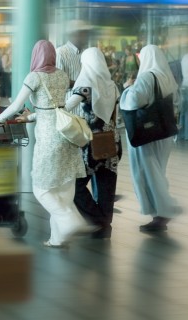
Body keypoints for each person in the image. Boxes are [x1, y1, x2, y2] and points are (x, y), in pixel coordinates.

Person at [0, 40, 99, 247]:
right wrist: (32, 117)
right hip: (67, 133)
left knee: (41, 188)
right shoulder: (61, 75)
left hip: (49, 136)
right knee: (64, 185)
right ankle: (58, 238)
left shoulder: (34, 76)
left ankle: (70, 220)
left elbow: (16, 105)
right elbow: (54, 107)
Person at [120, 45, 180, 232]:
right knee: (157, 172)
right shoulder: (167, 75)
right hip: (164, 133)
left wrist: (127, 88)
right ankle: (163, 209)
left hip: (147, 133)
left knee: (148, 174)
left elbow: (133, 102)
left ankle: (162, 213)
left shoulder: (147, 77)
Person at [65, 47, 121, 239]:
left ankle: (97, 221)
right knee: (107, 185)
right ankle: (105, 227)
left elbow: (68, 105)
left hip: (92, 144)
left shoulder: (86, 83)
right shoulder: (112, 85)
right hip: (113, 142)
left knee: (74, 185)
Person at [56, 20, 92, 116]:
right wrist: (81, 85)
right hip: (69, 110)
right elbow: (58, 81)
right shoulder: (61, 53)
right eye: (84, 33)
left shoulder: (86, 53)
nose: (87, 37)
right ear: (74, 35)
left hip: (85, 110)